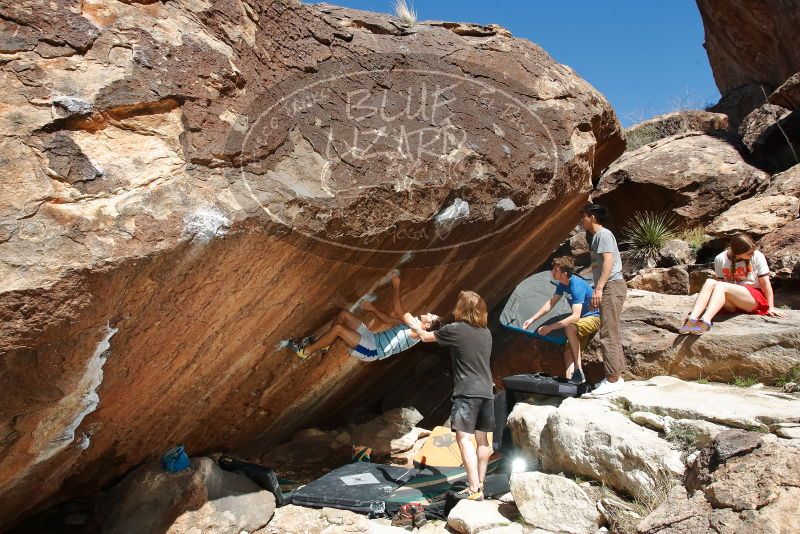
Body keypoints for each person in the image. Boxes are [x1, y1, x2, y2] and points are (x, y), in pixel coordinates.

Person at [413, 290, 493, 502]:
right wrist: (440, 323)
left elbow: (424, 336)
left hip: (467, 392)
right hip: (487, 391)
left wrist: (413, 321)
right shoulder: (486, 332)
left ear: (460, 309)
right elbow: (461, 341)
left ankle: (474, 488)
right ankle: (481, 485)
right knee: (482, 440)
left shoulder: (456, 329)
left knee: (463, 438)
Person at [296, 275, 439, 360]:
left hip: (372, 350)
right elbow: (389, 320)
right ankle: (325, 344)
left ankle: (305, 352)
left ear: (427, 326)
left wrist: (396, 286)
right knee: (344, 315)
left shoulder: (416, 329)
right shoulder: (413, 326)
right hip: (372, 338)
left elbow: (398, 309)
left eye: (431, 317)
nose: (430, 313)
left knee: (338, 329)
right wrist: (372, 309)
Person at [678, 233, 785, 334]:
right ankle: (692, 319)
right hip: (731, 301)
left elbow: (765, 283)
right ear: (737, 252)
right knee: (710, 282)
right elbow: (719, 285)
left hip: (752, 299)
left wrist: (771, 307)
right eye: (749, 253)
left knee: (720, 285)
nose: (752, 254)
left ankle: (705, 321)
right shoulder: (720, 259)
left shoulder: (757, 256)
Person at [522, 256, 600, 384]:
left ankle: (578, 372)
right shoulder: (563, 284)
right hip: (581, 321)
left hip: (593, 318)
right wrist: (532, 319)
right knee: (568, 352)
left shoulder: (576, 286)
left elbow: (575, 316)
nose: (552, 272)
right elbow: (550, 303)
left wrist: (550, 327)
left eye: (555, 270)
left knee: (570, 327)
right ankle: (571, 385)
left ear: (564, 274)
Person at [580, 203, 627, 395]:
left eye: (583, 216)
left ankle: (613, 379)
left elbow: (608, 261)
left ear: (592, 216)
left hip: (611, 286)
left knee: (608, 333)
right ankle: (616, 376)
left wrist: (599, 288)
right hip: (610, 286)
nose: (581, 220)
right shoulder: (598, 237)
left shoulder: (603, 235)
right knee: (611, 331)